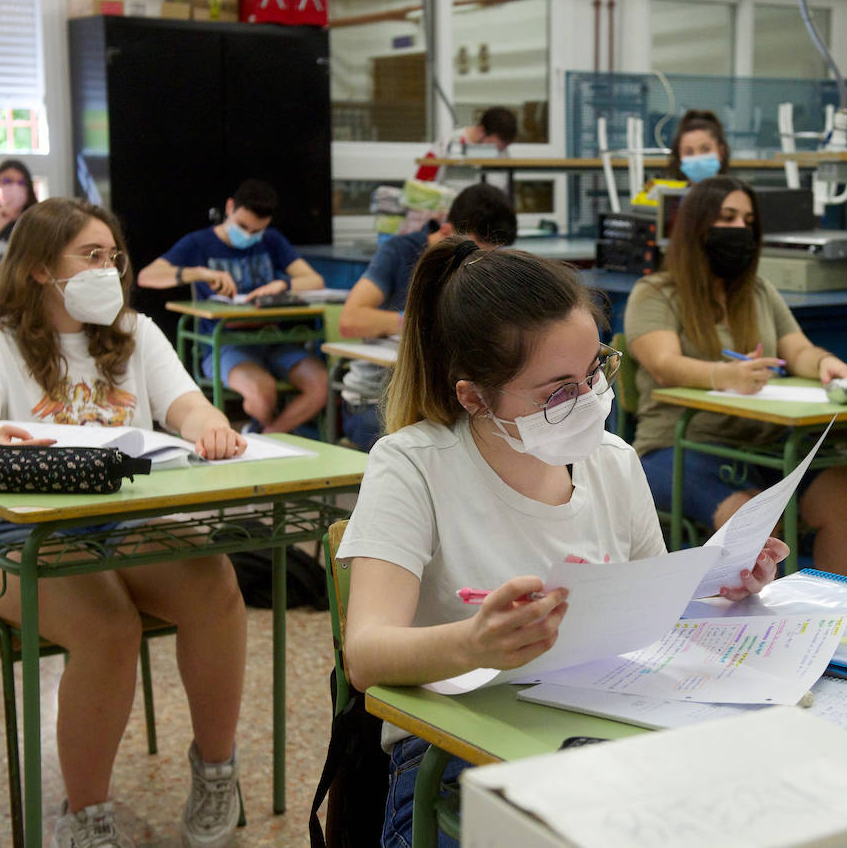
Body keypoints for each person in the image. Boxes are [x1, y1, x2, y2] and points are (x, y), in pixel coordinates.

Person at [337, 238, 788, 847]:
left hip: (599, 730)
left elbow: (654, 615)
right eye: (556, 391)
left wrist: (722, 589)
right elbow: (365, 656)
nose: (588, 401)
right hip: (453, 758)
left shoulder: (612, 461)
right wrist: (475, 643)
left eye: (595, 371)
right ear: (473, 397)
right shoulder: (413, 465)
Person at [0, 197, 249, 848]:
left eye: (113, 257)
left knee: (213, 582)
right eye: (89, 256)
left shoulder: (137, 333)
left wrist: (213, 429)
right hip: (11, 536)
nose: (107, 270)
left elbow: (190, 408)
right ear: (36, 269)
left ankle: (217, 769)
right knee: (109, 629)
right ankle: (85, 814)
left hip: (121, 522)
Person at [624, 176, 847, 580]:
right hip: (677, 445)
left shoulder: (759, 292)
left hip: (763, 442)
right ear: (697, 226)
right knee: (752, 518)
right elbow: (663, 363)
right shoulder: (655, 293)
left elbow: (797, 350)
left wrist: (824, 363)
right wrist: (724, 375)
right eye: (727, 217)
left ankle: (841, 625)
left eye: (747, 221)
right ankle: (754, 636)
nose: (740, 229)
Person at [137, 179, 328, 434]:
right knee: (263, 391)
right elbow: (147, 276)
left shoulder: (271, 241)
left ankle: (268, 435)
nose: (248, 236)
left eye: (256, 231)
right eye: (242, 227)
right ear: (229, 207)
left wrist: (282, 285)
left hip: (274, 340)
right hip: (224, 344)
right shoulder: (198, 243)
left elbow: (314, 280)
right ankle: (266, 435)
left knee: (321, 382)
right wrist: (199, 273)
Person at [336, 183, 517, 450]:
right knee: (450, 448)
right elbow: (350, 320)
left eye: (491, 255)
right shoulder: (398, 253)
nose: (481, 265)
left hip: (448, 399)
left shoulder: (486, 269)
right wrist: (418, 321)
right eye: (475, 253)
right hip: (376, 400)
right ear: (446, 230)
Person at [434, 106, 518, 192]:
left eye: (501, 148)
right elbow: (423, 180)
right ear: (481, 131)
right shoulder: (447, 143)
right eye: (494, 147)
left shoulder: (502, 152)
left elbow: (503, 187)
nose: (496, 152)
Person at [662, 109, 731, 184]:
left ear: (721, 152)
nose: (697, 158)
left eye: (705, 150)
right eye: (689, 152)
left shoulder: (737, 194)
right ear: (679, 156)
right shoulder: (665, 194)